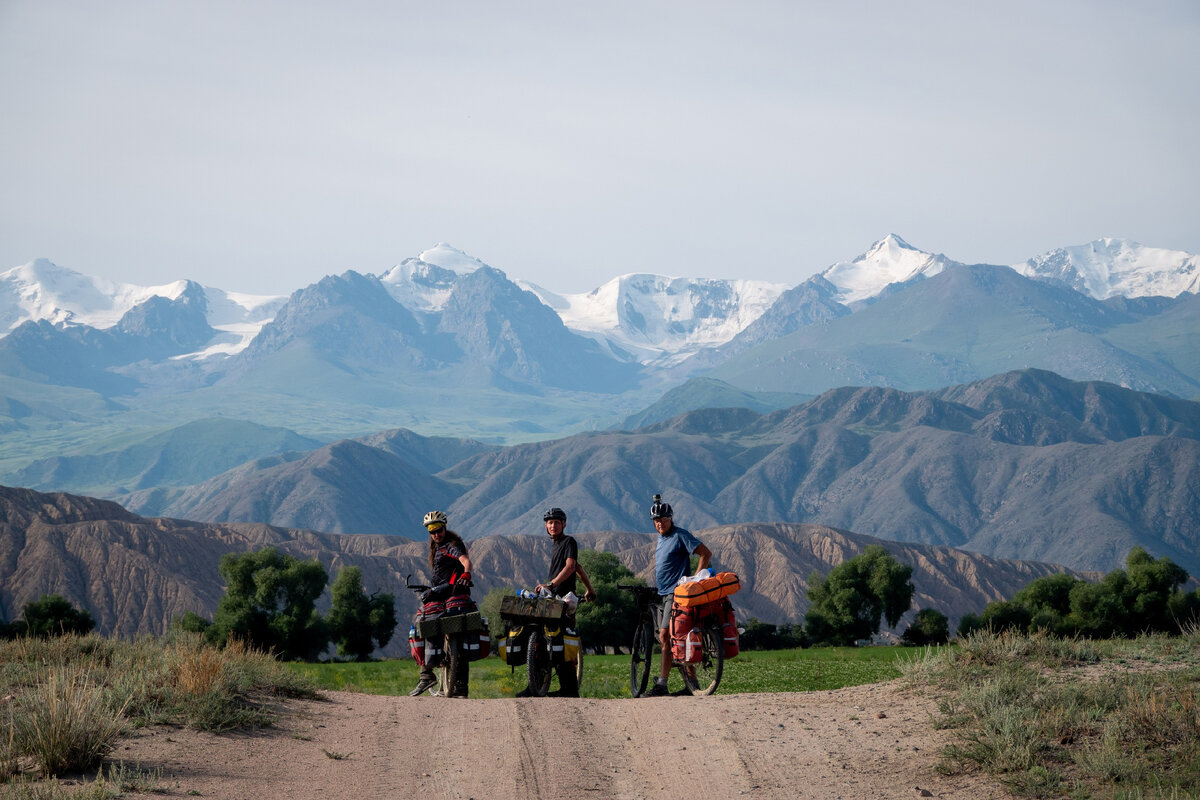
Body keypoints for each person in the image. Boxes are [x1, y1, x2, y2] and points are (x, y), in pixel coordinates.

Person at [516, 506, 596, 697]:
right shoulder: (555, 545)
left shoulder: (569, 542)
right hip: (551, 597)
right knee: (540, 636)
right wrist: (589, 589)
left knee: (560, 639)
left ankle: (568, 689)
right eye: (550, 523)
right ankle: (535, 685)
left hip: (564, 599)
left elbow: (571, 567)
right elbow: (578, 567)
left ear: (564, 524)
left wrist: (551, 584)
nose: (553, 525)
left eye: (557, 522)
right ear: (546, 526)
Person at [643, 495, 711, 697]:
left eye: (664, 520)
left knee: (664, 636)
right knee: (679, 636)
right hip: (664, 593)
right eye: (656, 521)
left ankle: (662, 684)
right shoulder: (661, 538)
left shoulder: (680, 535)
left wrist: (695, 580)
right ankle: (692, 685)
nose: (660, 524)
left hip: (676, 594)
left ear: (671, 518)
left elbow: (705, 553)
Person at [410, 510, 472, 697]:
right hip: (446, 594)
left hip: (449, 592)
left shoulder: (451, 545)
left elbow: (465, 561)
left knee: (423, 621)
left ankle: (427, 675)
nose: (436, 534)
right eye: (432, 531)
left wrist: (466, 573)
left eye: (439, 530)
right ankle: (454, 685)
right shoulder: (438, 547)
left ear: (445, 528)